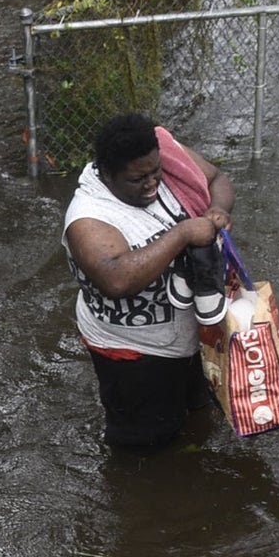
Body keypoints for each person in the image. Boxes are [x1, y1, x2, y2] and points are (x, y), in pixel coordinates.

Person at [62, 112, 236, 448]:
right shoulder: (88, 217)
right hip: (136, 351)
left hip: (195, 330)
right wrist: (184, 233)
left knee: (201, 410)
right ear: (107, 175)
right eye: (138, 179)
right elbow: (117, 279)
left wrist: (218, 211)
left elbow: (217, 180)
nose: (153, 182)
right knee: (144, 444)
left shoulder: (162, 154)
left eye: (155, 172)